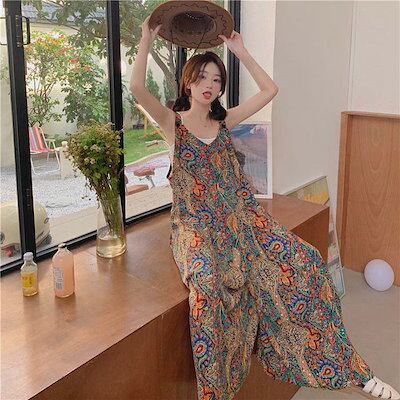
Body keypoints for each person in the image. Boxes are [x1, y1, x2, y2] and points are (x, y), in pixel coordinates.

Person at [130, 14, 400, 400]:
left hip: (244, 219)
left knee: (306, 261)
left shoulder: (225, 122)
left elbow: (270, 89)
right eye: (202, 77)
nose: (210, 85)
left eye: (217, 80)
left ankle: (351, 372)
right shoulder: (173, 125)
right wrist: (145, 40)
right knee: (208, 288)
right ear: (187, 81)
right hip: (196, 227)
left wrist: (240, 51)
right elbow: (137, 88)